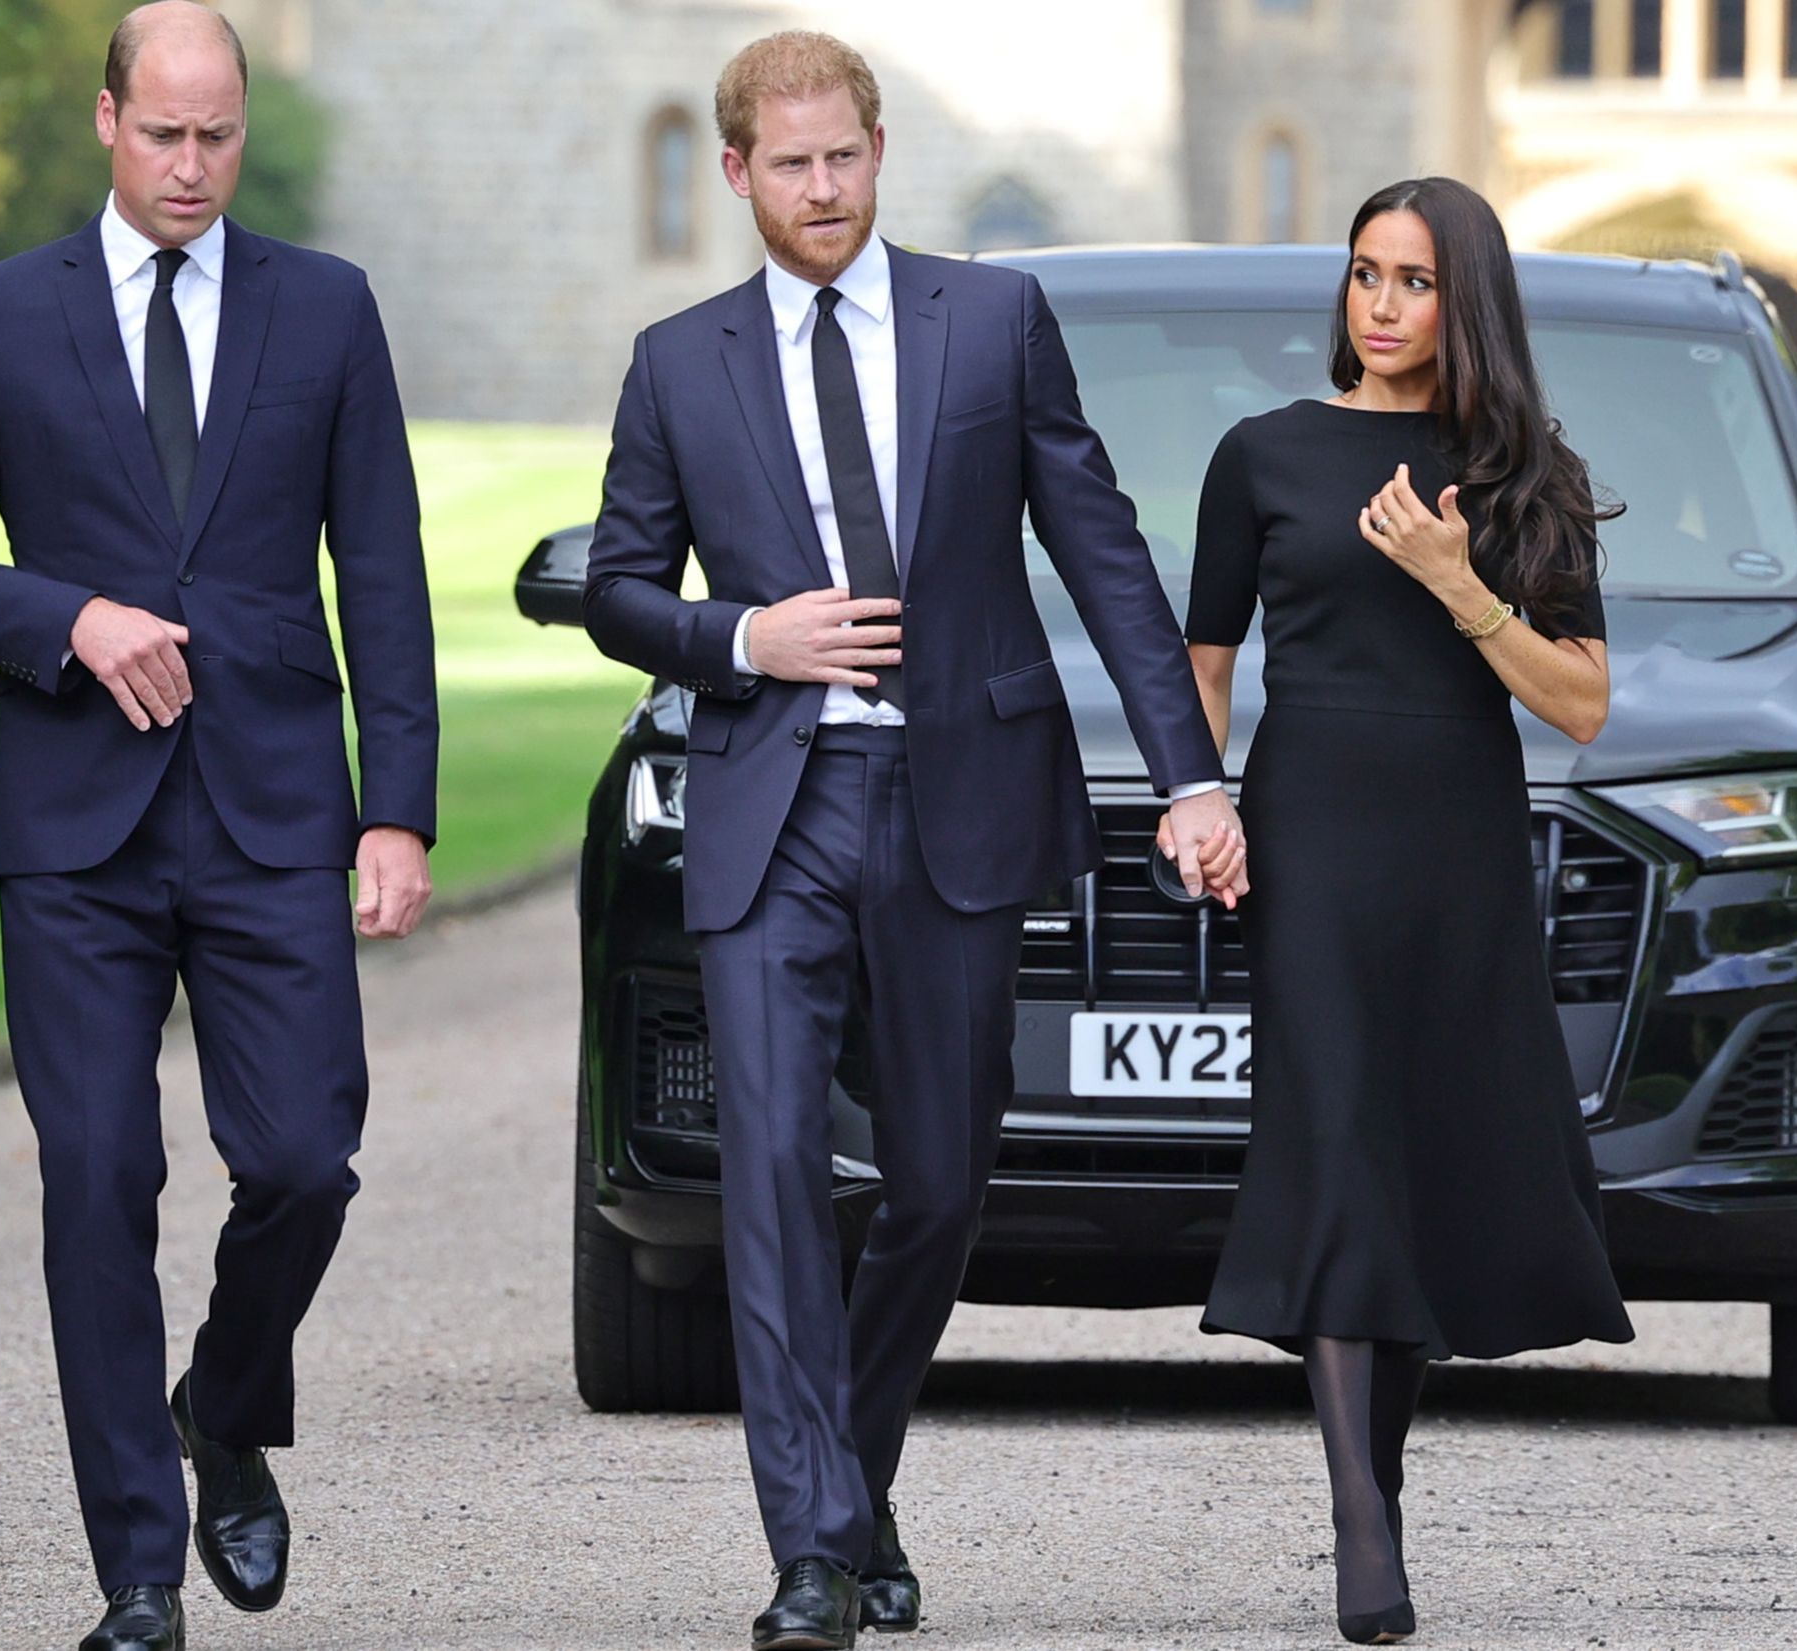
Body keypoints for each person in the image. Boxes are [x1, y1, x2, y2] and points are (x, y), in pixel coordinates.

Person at [582, 31, 1245, 1650]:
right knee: (775, 1177)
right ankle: (811, 1553)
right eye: (791, 167)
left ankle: (851, 1479)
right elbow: (613, 590)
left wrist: (1192, 776)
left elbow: (1103, 556)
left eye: (846, 160)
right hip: (773, 810)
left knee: (942, 1182)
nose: (824, 193)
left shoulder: (992, 320)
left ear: (881, 150)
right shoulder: (679, 361)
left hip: (956, 802)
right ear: (734, 170)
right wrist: (750, 639)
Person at [0, 4, 436, 1647]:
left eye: (220, 136)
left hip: (271, 815)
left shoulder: (324, 309)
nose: (193, 166)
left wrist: (398, 813)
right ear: (106, 121)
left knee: (305, 1163)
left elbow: (381, 579)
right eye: (165, 133)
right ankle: (135, 1571)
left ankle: (226, 1407)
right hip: (74, 830)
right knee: (98, 1176)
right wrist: (70, 621)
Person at [1186, 177, 1638, 1646]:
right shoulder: (1261, 456)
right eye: (1366, 276)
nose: (1379, 307)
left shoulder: (1525, 482)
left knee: (1424, 1154)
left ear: (1467, 304)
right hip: (1310, 831)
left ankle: (1374, 1481)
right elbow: (1203, 661)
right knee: (1333, 1140)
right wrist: (1207, 805)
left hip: (1456, 840)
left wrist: (1461, 583)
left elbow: (1579, 707)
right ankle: (1360, 1522)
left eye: (1415, 282)